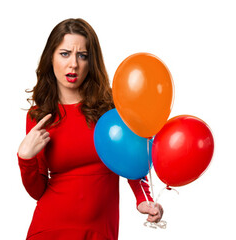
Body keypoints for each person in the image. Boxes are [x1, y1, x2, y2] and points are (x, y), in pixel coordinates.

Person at [16, 18, 164, 239]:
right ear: (51, 58)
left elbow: (133, 158)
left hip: (99, 231)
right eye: (64, 54)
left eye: (82, 55)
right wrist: (24, 159)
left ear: (91, 61)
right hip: (48, 229)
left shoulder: (113, 109)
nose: (73, 64)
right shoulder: (39, 115)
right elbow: (37, 191)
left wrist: (143, 199)